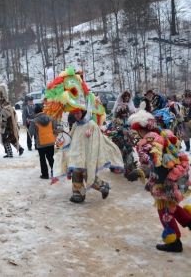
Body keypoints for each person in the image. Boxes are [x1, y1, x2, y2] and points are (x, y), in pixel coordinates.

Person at [44, 67, 124, 203]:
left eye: (78, 113)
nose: (76, 115)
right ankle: (78, 195)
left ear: (84, 112)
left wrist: (91, 155)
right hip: (76, 157)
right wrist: (64, 144)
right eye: (74, 113)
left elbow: (96, 141)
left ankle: (104, 187)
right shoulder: (76, 125)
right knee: (76, 174)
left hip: (87, 157)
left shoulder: (91, 125)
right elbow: (71, 138)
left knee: (87, 175)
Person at [127, 109, 191, 253]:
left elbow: (150, 159)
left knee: (165, 211)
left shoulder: (149, 140)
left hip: (165, 181)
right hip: (176, 176)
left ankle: (174, 242)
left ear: (139, 129)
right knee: (173, 206)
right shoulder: (162, 134)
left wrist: (139, 171)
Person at [103, 103, 137, 177]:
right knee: (118, 153)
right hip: (118, 140)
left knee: (129, 151)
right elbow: (109, 131)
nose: (124, 114)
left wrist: (131, 132)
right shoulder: (114, 120)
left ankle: (128, 167)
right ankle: (116, 167)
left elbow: (131, 128)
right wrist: (120, 132)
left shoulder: (128, 119)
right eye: (123, 112)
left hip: (127, 139)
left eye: (126, 112)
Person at [0, 83, 24, 158]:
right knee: (12, 139)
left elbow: (4, 119)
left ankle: (10, 153)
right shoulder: (9, 107)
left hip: (8, 126)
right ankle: (20, 148)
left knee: (6, 140)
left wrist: (2, 129)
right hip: (11, 125)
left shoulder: (5, 109)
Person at [29, 105, 55, 179]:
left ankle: (45, 174)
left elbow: (32, 132)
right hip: (50, 141)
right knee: (50, 157)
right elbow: (53, 128)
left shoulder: (34, 121)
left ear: (35, 112)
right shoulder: (50, 118)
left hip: (41, 143)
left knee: (42, 158)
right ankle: (55, 172)